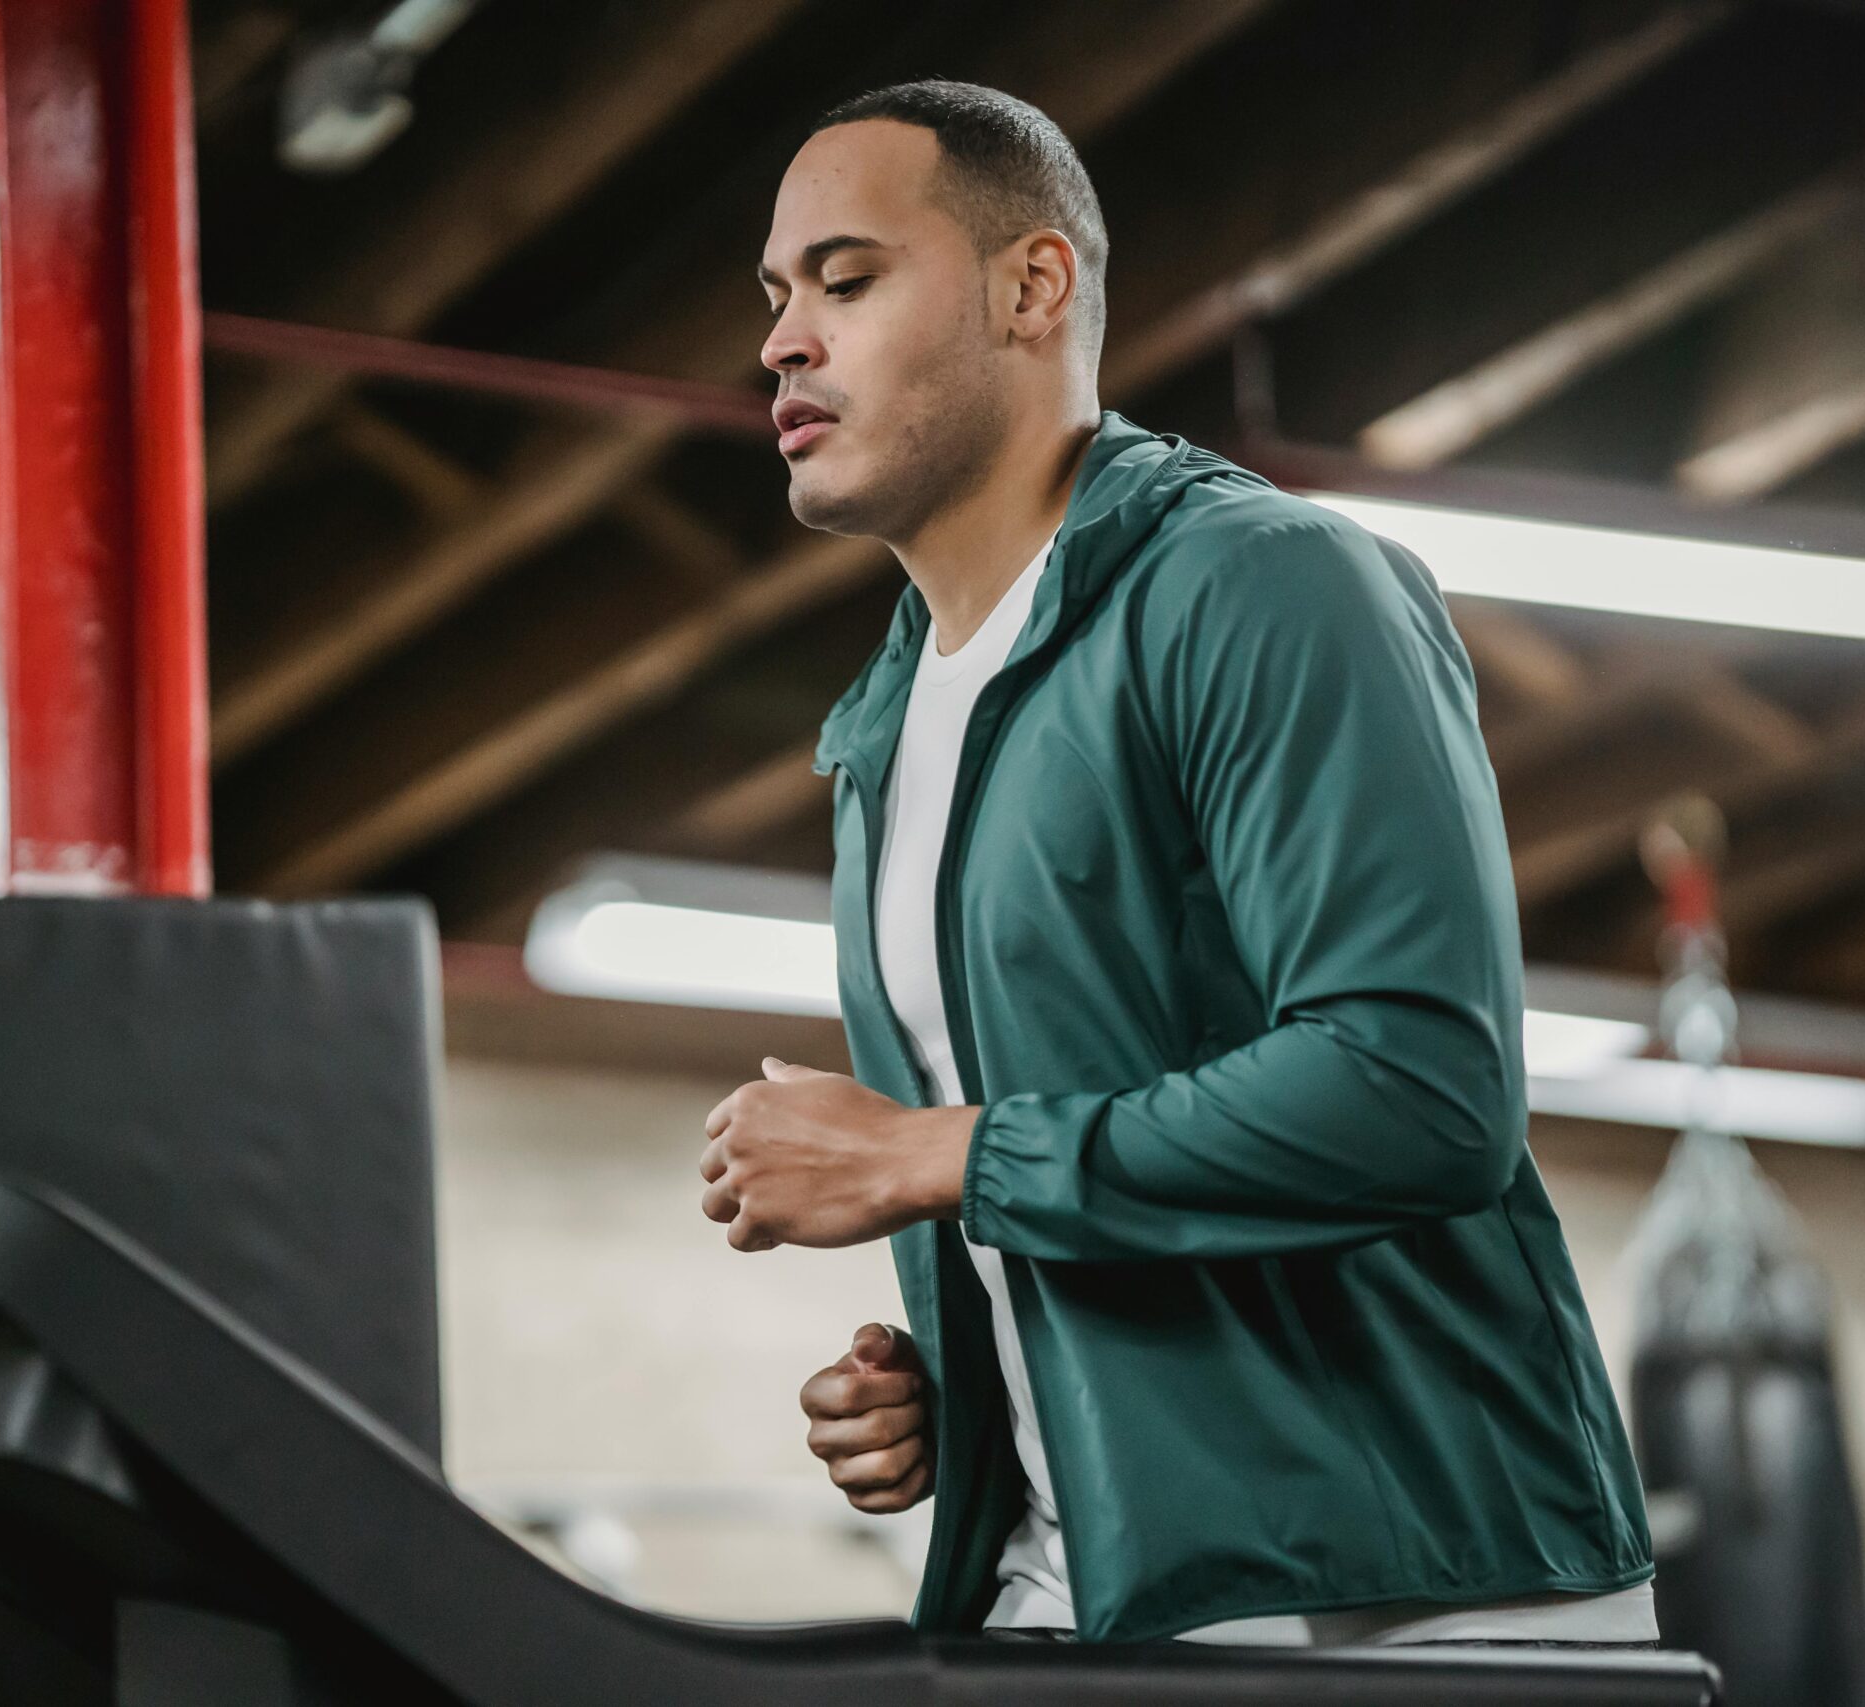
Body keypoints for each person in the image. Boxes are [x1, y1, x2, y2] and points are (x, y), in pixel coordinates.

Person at [696, 81, 1660, 1649]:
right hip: (1089, 1604)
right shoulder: (885, 734)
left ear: (1034, 286)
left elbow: (1419, 1090)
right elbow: (1096, 1177)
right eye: (779, 297)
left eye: (848, 280)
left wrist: (936, 1158)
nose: (785, 341)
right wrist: (967, 1390)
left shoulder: (1265, 585)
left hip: (1409, 1607)